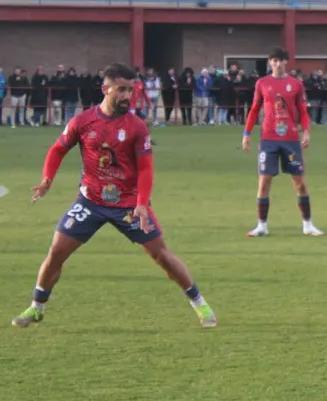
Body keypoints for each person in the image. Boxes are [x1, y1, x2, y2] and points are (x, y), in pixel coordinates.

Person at [11, 63, 217, 329]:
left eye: (130, 90)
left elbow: (145, 169)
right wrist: (47, 179)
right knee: (56, 252)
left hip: (129, 203)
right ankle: (36, 308)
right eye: (121, 90)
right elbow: (57, 150)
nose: (126, 96)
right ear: (105, 89)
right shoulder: (83, 122)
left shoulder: (137, 126)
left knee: (161, 255)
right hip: (90, 201)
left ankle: (199, 303)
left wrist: (142, 204)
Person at [242, 47, 325, 237]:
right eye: (275, 60)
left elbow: (303, 111)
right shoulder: (262, 83)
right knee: (264, 182)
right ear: (270, 62)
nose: (278, 64)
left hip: (291, 140)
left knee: (300, 183)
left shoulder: (296, 84)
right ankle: (261, 226)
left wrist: (307, 131)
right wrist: (246, 133)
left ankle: (308, 225)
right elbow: (254, 109)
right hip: (268, 139)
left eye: (282, 60)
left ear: (287, 62)